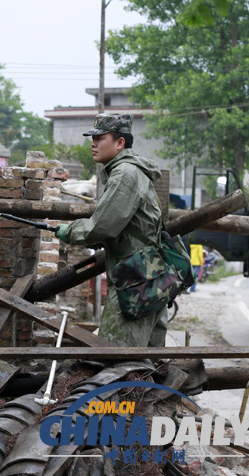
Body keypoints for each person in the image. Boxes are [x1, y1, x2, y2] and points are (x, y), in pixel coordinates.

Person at [55, 113, 167, 347]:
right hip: (147, 272)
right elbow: (124, 226)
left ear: (120, 143)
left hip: (134, 277)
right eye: (92, 138)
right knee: (146, 363)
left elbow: (102, 227)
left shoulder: (125, 174)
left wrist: (70, 231)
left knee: (118, 359)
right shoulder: (128, 171)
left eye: (100, 138)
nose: (93, 144)